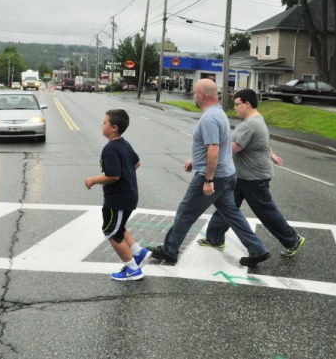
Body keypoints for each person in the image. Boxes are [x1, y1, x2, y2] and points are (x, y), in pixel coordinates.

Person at [148, 78, 270, 268]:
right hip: (227, 174)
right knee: (232, 214)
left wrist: (208, 179)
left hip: (215, 176)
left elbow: (213, 149)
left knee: (186, 212)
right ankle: (257, 249)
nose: (193, 97)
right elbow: (220, 146)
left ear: (202, 95)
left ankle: (170, 250)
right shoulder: (219, 113)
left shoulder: (209, 118)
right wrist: (195, 160)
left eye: (194, 93)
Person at [198, 88, 306, 257]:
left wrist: (209, 152)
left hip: (253, 177)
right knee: (228, 205)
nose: (235, 108)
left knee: (265, 211)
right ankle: (215, 237)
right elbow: (262, 143)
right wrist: (273, 155)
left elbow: (232, 148)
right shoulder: (257, 119)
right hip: (244, 175)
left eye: (237, 104)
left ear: (247, 104)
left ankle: (292, 239)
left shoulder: (249, 124)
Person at [85, 109, 151, 281]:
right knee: (118, 227)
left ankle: (132, 269)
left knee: (112, 233)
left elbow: (113, 176)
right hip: (127, 195)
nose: (102, 124)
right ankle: (139, 253)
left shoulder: (110, 149)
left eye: (105, 122)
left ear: (114, 128)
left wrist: (93, 180)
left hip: (118, 199)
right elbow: (136, 163)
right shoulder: (124, 144)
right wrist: (127, 175)